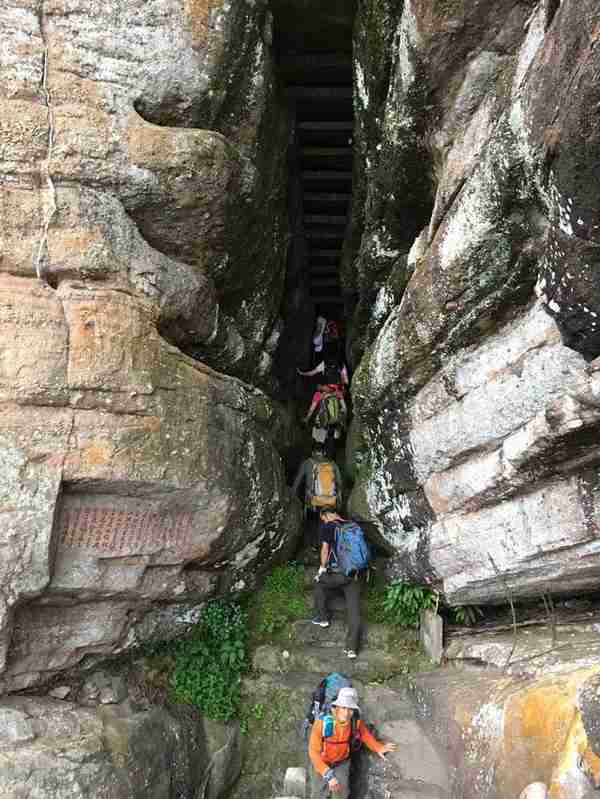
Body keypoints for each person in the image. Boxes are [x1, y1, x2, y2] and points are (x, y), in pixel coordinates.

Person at [308, 686, 396, 798]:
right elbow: (313, 752)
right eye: (343, 707)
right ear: (337, 706)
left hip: (341, 762)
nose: (346, 712)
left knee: (341, 792)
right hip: (321, 763)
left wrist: (379, 747)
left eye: (350, 709)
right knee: (318, 793)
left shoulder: (355, 722)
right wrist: (328, 774)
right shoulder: (321, 723)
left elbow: (365, 735)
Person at [313, 511, 362, 659]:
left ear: (327, 515)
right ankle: (351, 648)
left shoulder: (329, 527)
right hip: (354, 574)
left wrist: (321, 569)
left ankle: (323, 617)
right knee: (353, 609)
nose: (323, 521)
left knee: (318, 582)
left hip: (337, 573)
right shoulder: (353, 525)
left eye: (323, 518)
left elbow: (325, 549)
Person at [292, 451, 342, 548]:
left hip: (314, 500)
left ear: (313, 452)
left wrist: (293, 493)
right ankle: (325, 545)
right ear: (324, 453)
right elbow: (339, 482)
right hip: (330, 499)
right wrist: (339, 499)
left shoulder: (307, 463)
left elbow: (298, 479)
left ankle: (313, 545)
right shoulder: (332, 464)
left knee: (312, 522)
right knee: (325, 521)